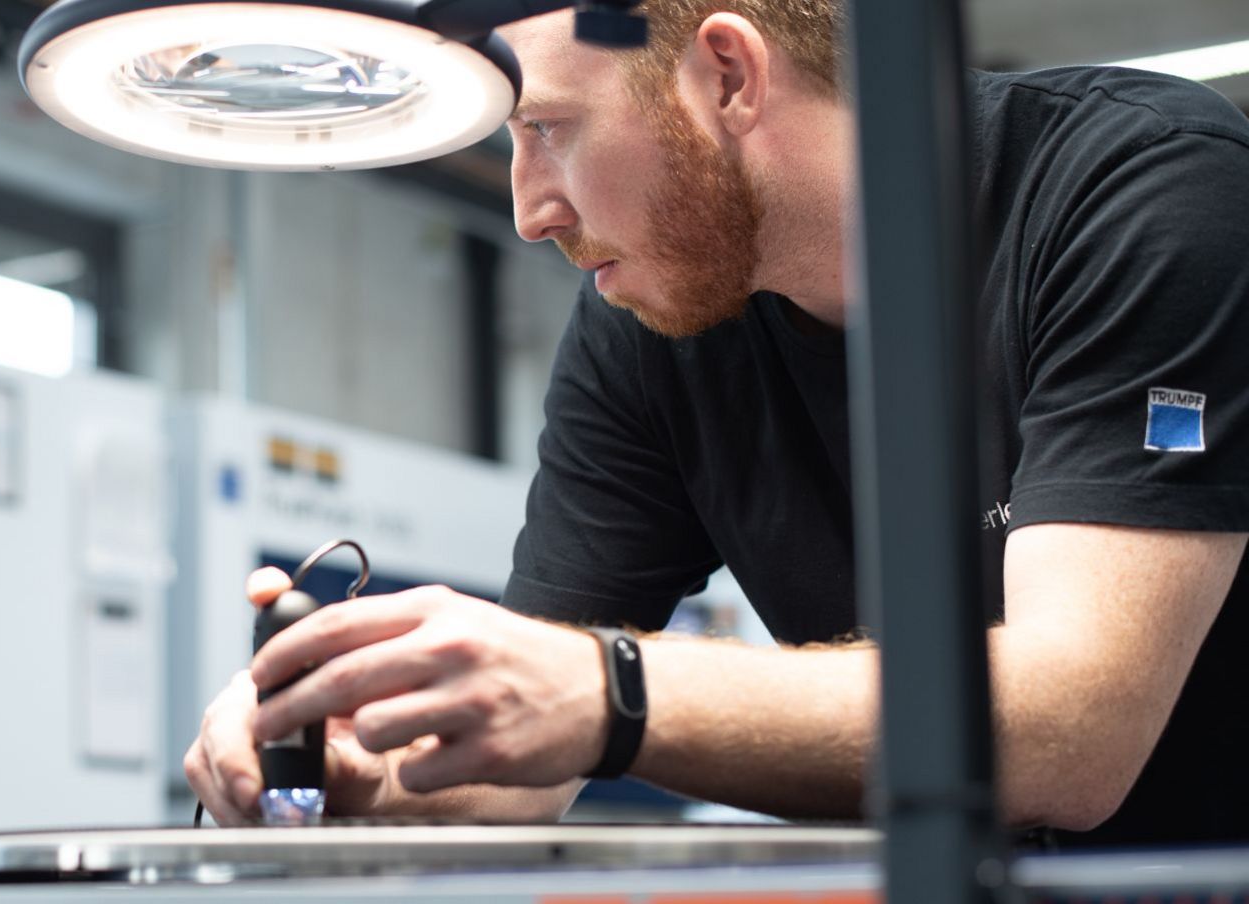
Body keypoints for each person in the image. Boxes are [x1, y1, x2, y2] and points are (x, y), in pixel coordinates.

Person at [183, 0, 1249, 848]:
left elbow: (1074, 733)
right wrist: (372, 768)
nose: (525, 209)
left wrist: (608, 690)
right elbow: (526, 760)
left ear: (729, 75)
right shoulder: (649, 320)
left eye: (546, 128)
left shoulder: (1141, 194)